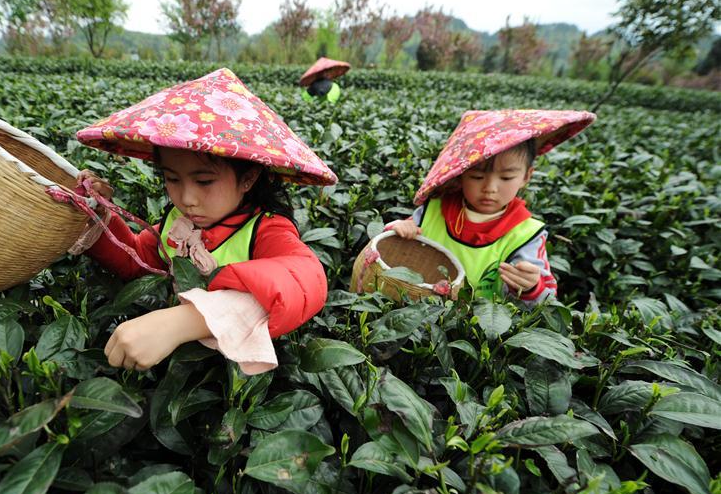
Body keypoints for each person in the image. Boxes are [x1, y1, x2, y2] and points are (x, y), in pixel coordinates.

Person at [72, 68, 338, 375]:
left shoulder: (265, 229)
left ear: (248, 178)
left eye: (205, 181)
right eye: (172, 179)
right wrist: (98, 212)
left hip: (236, 377)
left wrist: (187, 321)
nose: (187, 199)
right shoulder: (179, 222)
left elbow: (306, 281)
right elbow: (139, 259)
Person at [386, 109, 596, 306]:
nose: (490, 188)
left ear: (526, 176)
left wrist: (531, 287)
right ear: (460, 174)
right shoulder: (433, 209)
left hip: (478, 333)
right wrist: (398, 232)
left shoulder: (525, 235)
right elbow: (396, 249)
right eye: (477, 176)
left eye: (506, 177)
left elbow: (546, 303)